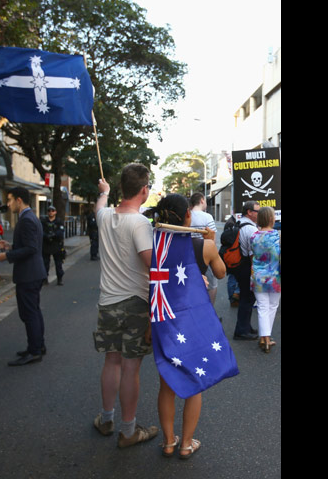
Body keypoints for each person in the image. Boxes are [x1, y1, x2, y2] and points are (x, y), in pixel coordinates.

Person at [144, 193, 226, 459]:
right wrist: (211, 245)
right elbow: (222, 272)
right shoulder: (204, 244)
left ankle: (168, 442)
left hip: (165, 321)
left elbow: (154, 288)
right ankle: (186, 444)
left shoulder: (156, 247)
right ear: (188, 216)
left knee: (166, 384)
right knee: (196, 381)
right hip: (194, 323)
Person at [91, 163, 159, 448]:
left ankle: (106, 419)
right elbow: (151, 263)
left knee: (111, 360)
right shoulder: (140, 223)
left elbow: (100, 205)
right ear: (144, 191)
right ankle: (128, 430)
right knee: (131, 367)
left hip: (108, 301)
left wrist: (104, 192)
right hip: (135, 303)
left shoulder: (104, 216)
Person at [0, 187, 48, 366]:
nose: (8, 204)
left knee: (29, 313)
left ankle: (34, 350)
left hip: (29, 273)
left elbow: (31, 248)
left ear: (19, 200)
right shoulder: (29, 217)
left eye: (10, 199)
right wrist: (10, 246)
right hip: (33, 272)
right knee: (33, 311)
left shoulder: (27, 219)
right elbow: (28, 245)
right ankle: (38, 345)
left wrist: (5, 256)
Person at [250, 206, 281, 353]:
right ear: (270, 218)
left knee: (262, 307)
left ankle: (265, 338)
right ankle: (266, 338)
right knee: (272, 306)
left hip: (258, 276)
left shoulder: (253, 236)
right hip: (275, 276)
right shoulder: (278, 236)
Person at [233, 200, 260, 340]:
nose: (259, 214)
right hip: (246, 267)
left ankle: (246, 327)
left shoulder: (239, 223)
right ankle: (241, 330)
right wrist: (254, 272)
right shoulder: (251, 229)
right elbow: (253, 253)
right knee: (247, 299)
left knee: (246, 297)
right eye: (257, 211)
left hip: (238, 266)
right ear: (250, 212)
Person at [189, 192, 218, 305]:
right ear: (201, 200)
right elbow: (212, 240)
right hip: (205, 254)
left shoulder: (187, 215)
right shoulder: (207, 217)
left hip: (189, 255)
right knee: (211, 285)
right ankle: (210, 311)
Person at [41, 205, 65, 285]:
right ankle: (44, 278)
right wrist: (46, 236)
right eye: (49, 211)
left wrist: (53, 235)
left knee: (58, 263)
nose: (51, 212)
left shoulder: (59, 221)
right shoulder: (43, 221)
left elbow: (61, 232)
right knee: (45, 263)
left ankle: (59, 278)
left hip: (56, 244)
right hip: (46, 245)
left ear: (55, 212)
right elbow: (41, 231)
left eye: (52, 210)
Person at [223, 213, 240, 307]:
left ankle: (232, 299)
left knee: (231, 277)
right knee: (234, 278)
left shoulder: (229, 222)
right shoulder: (233, 223)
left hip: (228, 255)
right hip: (234, 254)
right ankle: (235, 295)